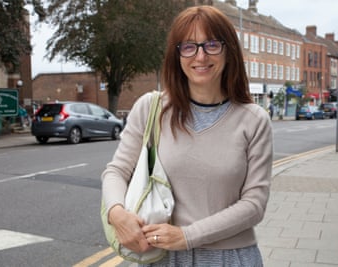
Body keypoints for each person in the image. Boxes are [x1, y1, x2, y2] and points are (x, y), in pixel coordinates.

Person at [101, 5, 273, 266]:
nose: (200, 57)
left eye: (212, 44)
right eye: (189, 46)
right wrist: (116, 213)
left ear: (229, 51)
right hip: (163, 258)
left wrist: (187, 236)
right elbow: (117, 171)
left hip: (230, 259)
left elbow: (254, 204)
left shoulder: (254, 119)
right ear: (177, 54)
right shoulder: (151, 108)